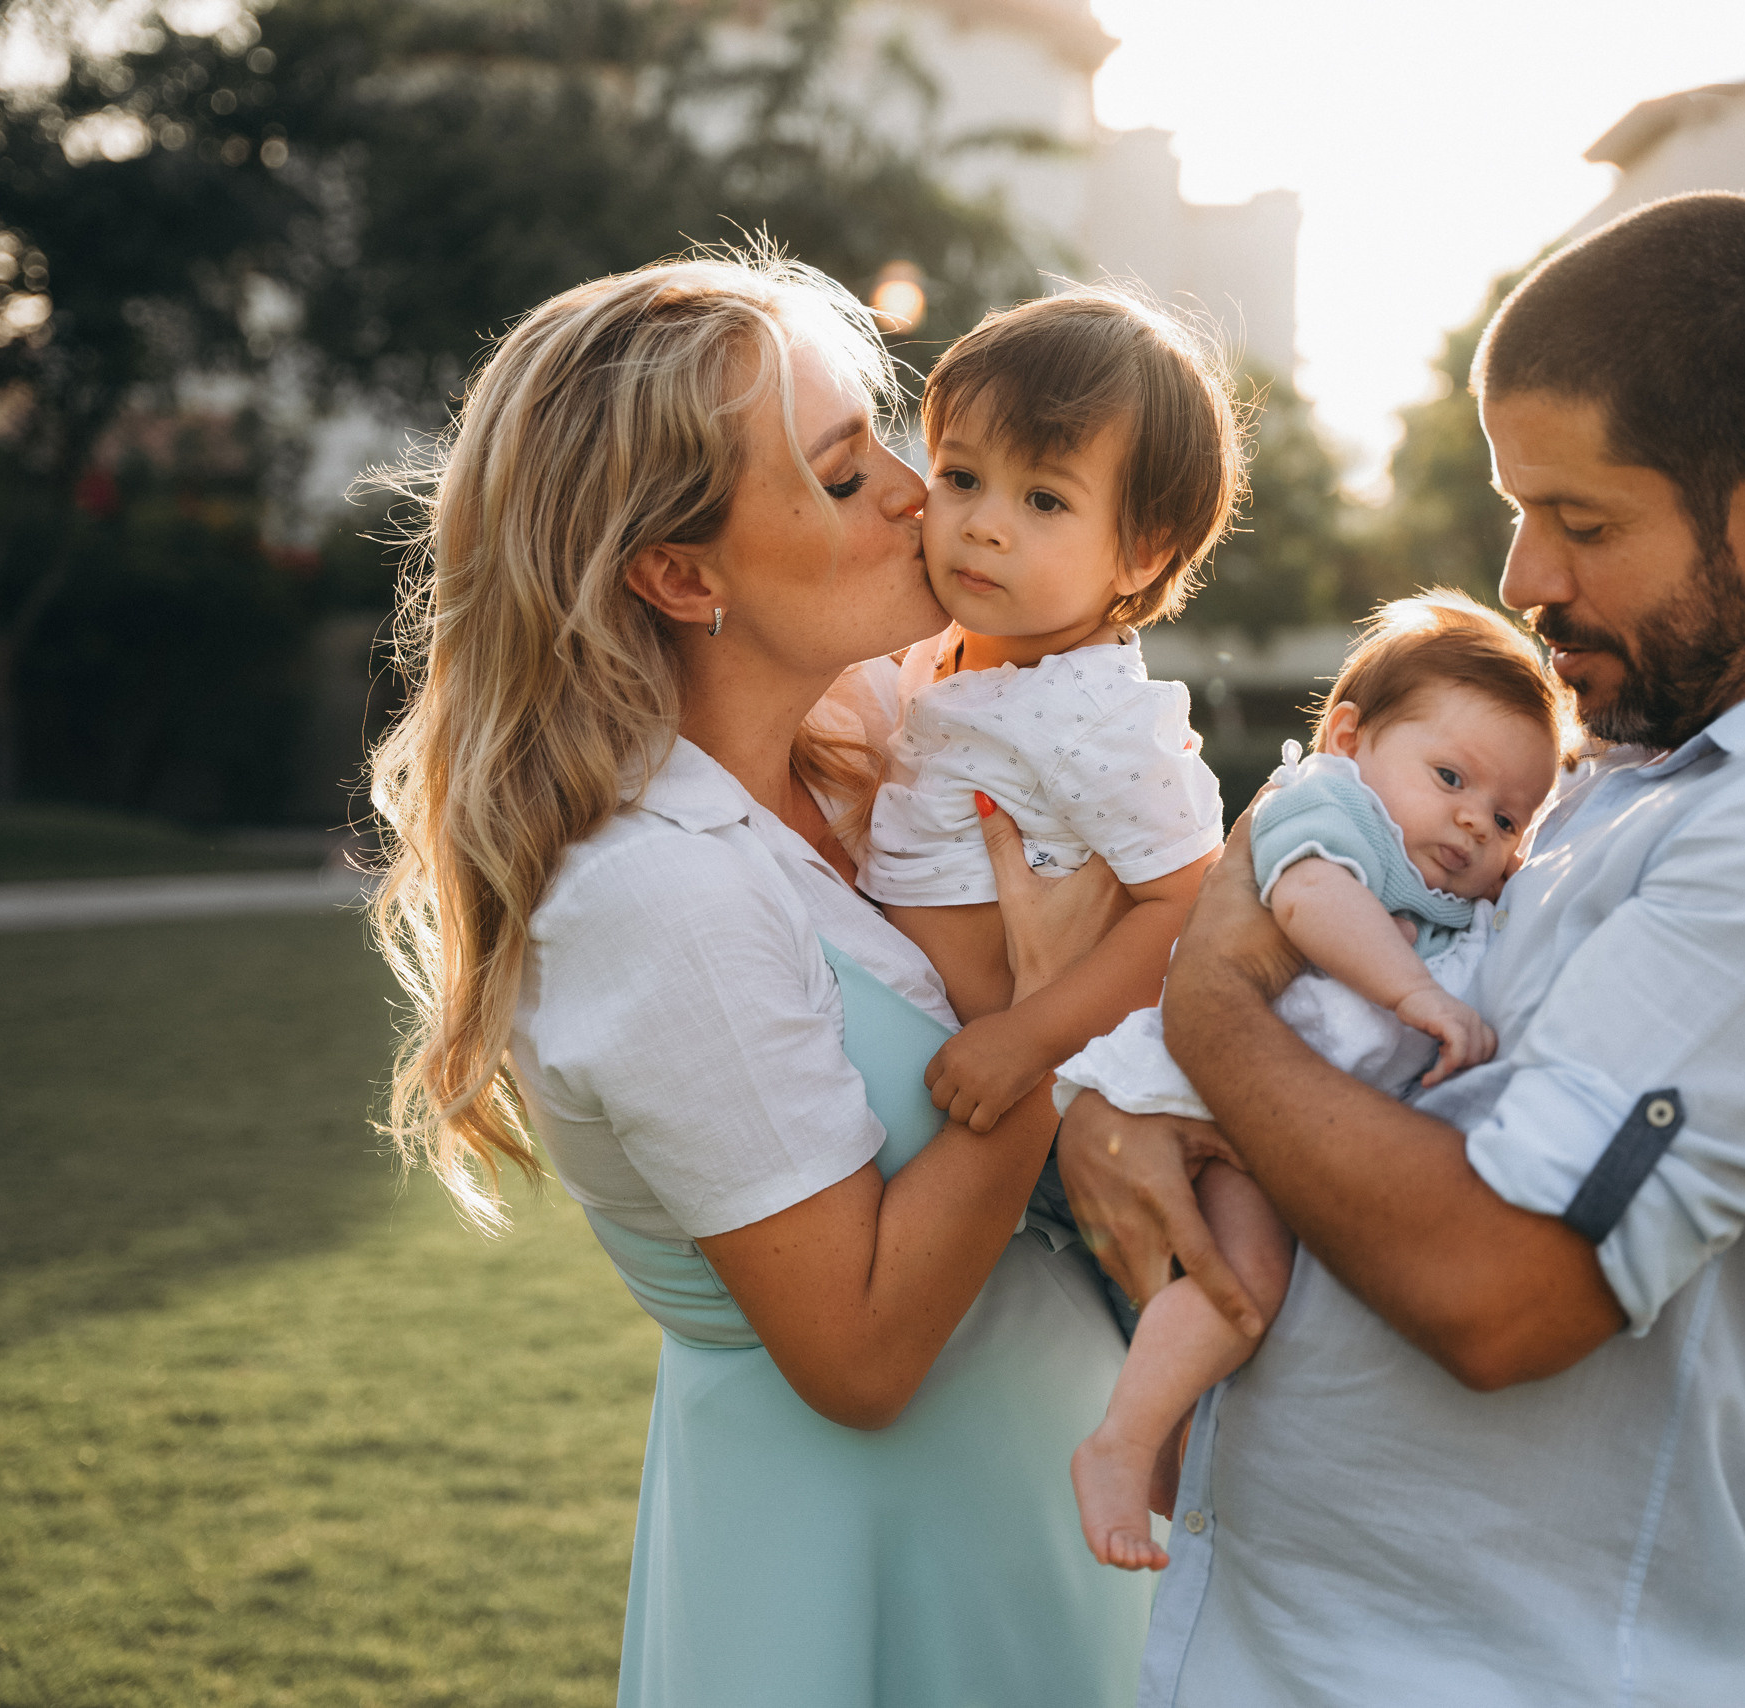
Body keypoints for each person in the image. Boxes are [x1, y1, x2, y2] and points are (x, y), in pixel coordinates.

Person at [1057, 191, 1745, 1705]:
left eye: (1583, 522)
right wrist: (1105, 1108)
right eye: (1518, 508)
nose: (1525, 578)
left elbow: (1501, 1288)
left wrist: (1208, 1016)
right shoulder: (1607, 769)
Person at [364, 250, 1152, 1708]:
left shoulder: (878, 750)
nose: (923, 495)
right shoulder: (657, 897)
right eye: (849, 478)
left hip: (1041, 1541)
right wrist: (1050, 1022)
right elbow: (855, 1352)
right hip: (871, 1575)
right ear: (681, 576)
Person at [1056, 590, 1569, 1572]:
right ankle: (1122, 1442)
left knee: (1235, 1286)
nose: (1472, 818)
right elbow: (1307, 897)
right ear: (1347, 735)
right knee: (1243, 1283)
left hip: (1267, 1109)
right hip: (1205, 1093)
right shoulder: (1334, 807)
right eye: (1450, 776)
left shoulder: (1453, 892)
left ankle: (1159, 1442)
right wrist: (1418, 993)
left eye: (1507, 816)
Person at [862, 289, 1237, 1135]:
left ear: (1142, 552)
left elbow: (1189, 908)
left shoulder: (1098, 713)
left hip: (1074, 1093)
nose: (983, 524)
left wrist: (1029, 1037)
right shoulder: (942, 650)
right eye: (960, 478)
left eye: (1044, 500)